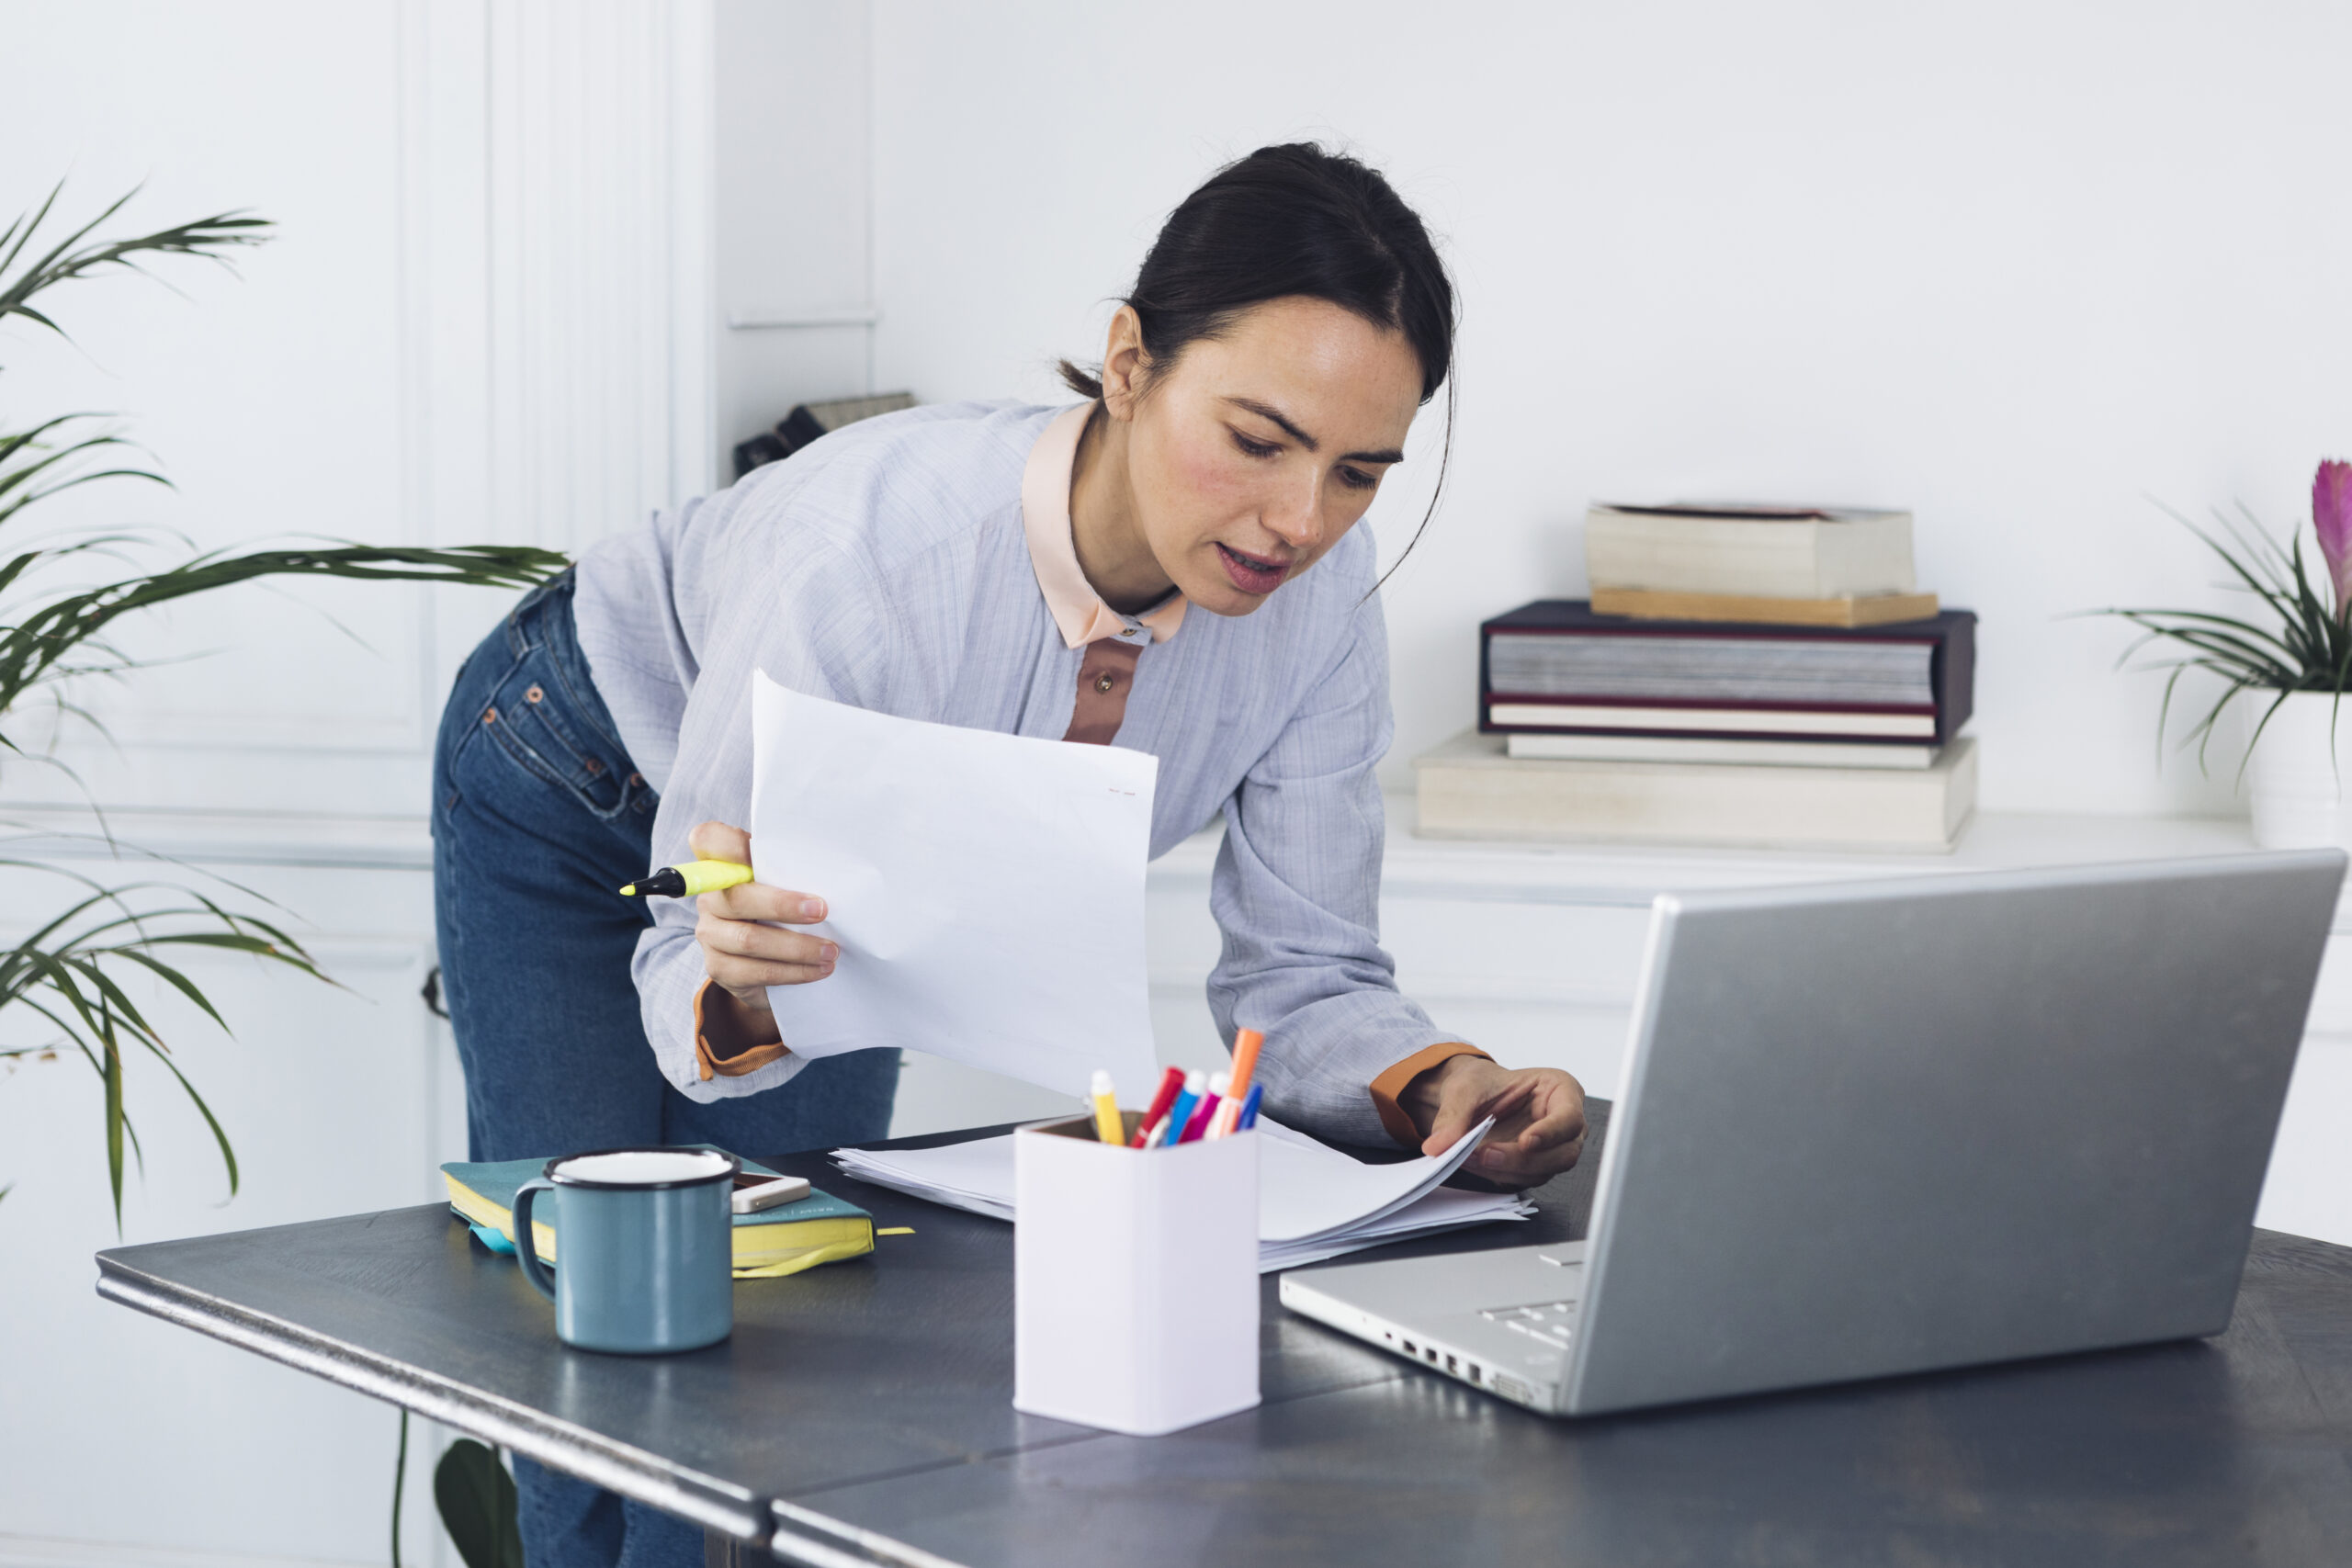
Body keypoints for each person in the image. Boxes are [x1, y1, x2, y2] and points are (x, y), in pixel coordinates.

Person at [432, 141, 1586, 1568]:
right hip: (568, 767)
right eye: (1258, 439)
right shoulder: (867, 558)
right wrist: (738, 982)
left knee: (789, 1337)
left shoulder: (1322, 599)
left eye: (1358, 472)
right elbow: (694, 962)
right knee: (586, 1316)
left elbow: (1307, 971)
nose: (1301, 522)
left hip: (812, 874)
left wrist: (1441, 1087)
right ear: (1129, 364)